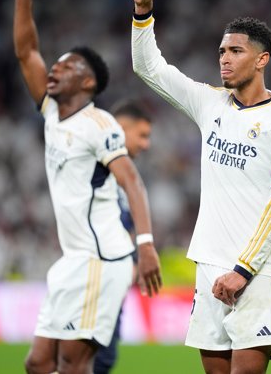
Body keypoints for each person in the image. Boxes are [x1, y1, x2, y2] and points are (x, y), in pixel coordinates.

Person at [129, 0, 271, 373]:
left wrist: (243, 270)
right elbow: (148, 67)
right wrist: (144, 13)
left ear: (262, 59)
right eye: (221, 51)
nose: (224, 59)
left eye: (236, 51)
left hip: (258, 270)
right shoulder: (211, 103)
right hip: (208, 264)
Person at [14, 0, 162, 374]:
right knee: (38, 363)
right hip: (72, 261)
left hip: (102, 261)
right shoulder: (51, 113)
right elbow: (26, 52)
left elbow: (131, 180)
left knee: (74, 366)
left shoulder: (100, 124)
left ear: (88, 82)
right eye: (55, 65)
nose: (55, 69)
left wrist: (146, 245)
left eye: (67, 66)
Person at [93, 100, 153, 374]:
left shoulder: (124, 174)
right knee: (88, 358)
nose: (146, 144)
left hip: (112, 280)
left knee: (102, 359)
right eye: (142, 135)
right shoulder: (96, 166)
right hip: (95, 277)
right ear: (121, 128)